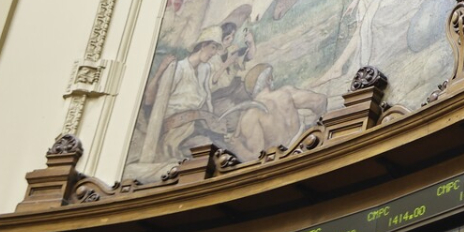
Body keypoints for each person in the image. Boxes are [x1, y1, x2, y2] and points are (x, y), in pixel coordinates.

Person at [139, 27, 226, 164]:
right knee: (209, 147)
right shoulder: (178, 69)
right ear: (203, 45)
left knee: (222, 145)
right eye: (213, 47)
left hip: (197, 124)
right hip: (176, 128)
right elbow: (153, 100)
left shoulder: (205, 69)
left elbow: (207, 98)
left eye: (216, 49)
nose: (214, 53)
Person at [230, 63, 329, 158]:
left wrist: (237, 147)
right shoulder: (287, 93)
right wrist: (314, 127)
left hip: (283, 161)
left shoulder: (251, 115)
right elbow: (320, 100)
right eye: (271, 77)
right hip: (308, 145)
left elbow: (257, 156)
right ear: (268, 80)